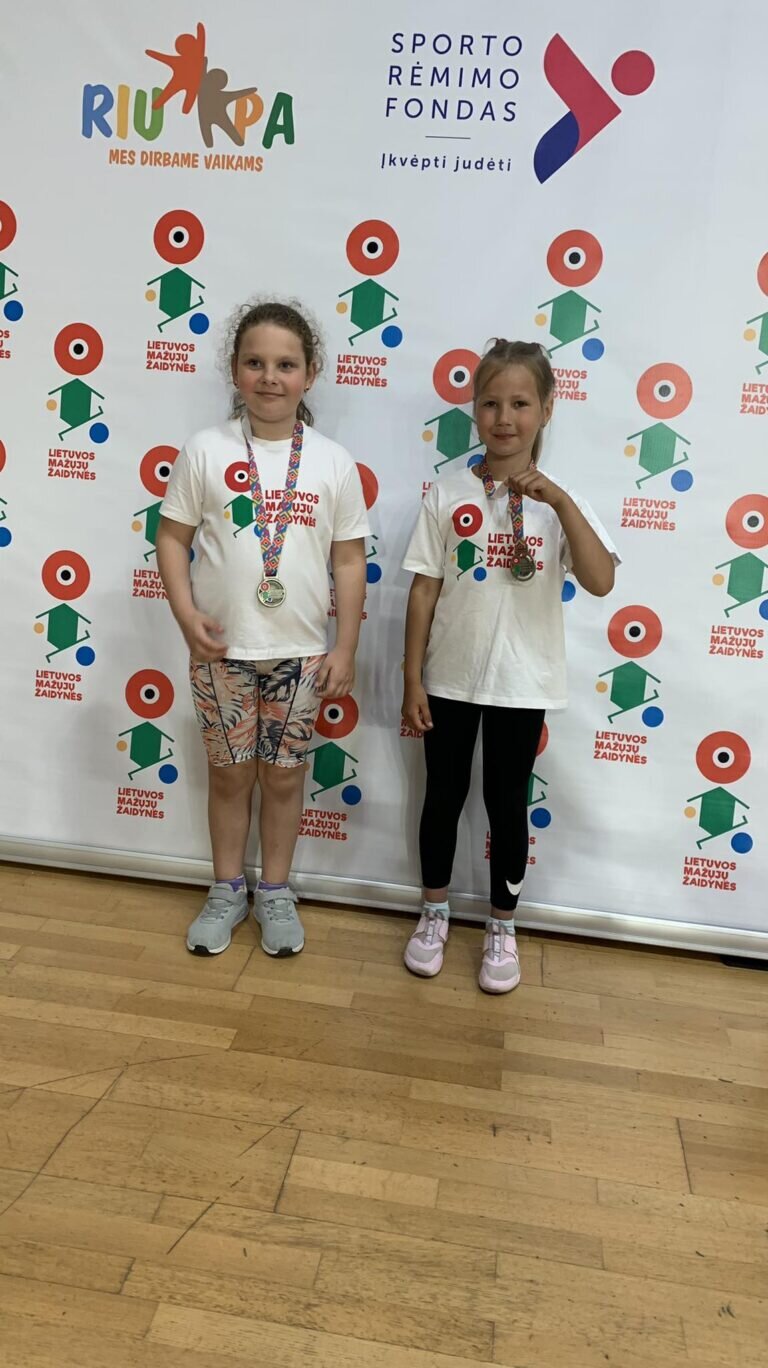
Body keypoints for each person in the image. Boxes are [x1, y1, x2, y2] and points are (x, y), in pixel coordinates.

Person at [401, 339, 619, 993]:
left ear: (547, 410)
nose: (504, 418)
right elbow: (424, 590)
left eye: (521, 403)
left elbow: (601, 581)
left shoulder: (561, 503)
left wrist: (562, 503)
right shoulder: (447, 492)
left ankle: (502, 926)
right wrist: (411, 678)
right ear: (474, 410)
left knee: (506, 804)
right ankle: (434, 912)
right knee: (442, 796)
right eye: (491, 403)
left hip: (522, 685)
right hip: (448, 678)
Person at [156, 300, 369, 958]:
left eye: (285, 364)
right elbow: (171, 539)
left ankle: (275, 890)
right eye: (255, 362)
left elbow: (348, 560)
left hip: (302, 656)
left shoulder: (333, 462)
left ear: (311, 373)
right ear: (234, 370)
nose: (270, 377)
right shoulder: (205, 450)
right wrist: (186, 614)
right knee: (229, 777)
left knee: (282, 778)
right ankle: (227, 888)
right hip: (220, 650)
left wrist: (345, 646)